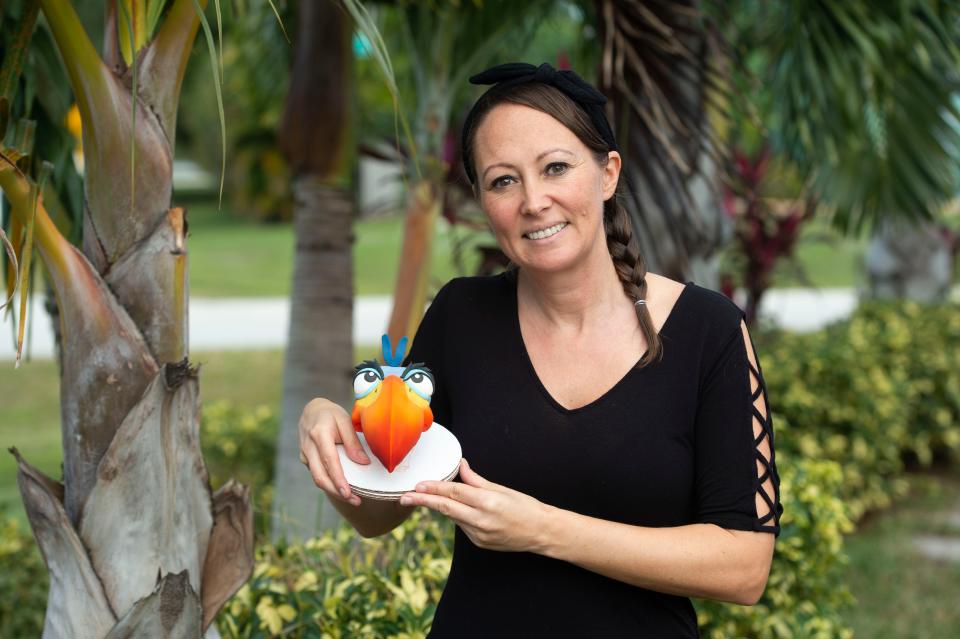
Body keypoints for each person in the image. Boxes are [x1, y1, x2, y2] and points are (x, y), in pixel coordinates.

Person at [298, 62, 783, 638]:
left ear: (607, 173)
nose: (534, 201)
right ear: (481, 199)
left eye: (556, 167)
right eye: (504, 181)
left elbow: (744, 567)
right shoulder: (460, 316)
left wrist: (542, 530)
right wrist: (331, 440)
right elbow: (379, 512)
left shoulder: (710, 331)